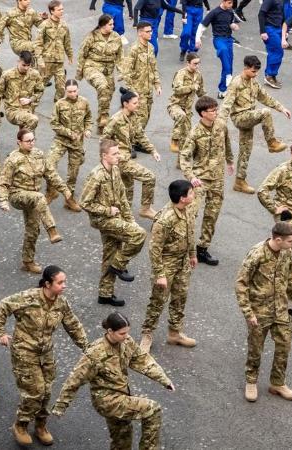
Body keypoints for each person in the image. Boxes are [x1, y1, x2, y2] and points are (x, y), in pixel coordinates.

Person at [0, 266, 88, 446]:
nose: (64, 286)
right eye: (60, 282)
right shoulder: (28, 298)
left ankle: (41, 425)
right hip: (24, 351)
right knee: (35, 391)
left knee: (47, 391)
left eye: (64, 282)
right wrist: (0, 332)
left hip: (46, 353)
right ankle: (21, 424)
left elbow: (73, 325)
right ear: (47, 284)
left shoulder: (61, 303)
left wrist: (87, 348)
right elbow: (3, 306)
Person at [51, 313, 175, 450]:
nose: (127, 336)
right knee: (152, 409)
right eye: (122, 333)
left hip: (122, 394)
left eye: (128, 332)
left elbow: (142, 360)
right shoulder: (95, 353)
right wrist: (61, 406)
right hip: (107, 400)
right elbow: (75, 380)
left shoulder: (126, 342)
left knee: (122, 438)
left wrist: (164, 380)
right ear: (110, 331)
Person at [236, 221, 292, 402]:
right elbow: (241, 284)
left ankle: (277, 383)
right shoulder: (257, 254)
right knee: (256, 348)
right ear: (278, 239)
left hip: (280, 308)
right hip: (259, 311)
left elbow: (290, 276)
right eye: (291, 241)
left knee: (284, 344)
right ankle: (251, 381)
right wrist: (248, 313)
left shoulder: (287, 252)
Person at [80, 140, 148, 307]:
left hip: (116, 217)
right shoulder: (97, 175)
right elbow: (84, 203)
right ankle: (118, 266)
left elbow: (122, 198)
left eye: (119, 152)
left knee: (110, 252)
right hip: (102, 219)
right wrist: (107, 211)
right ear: (104, 156)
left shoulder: (115, 170)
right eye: (115, 154)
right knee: (139, 234)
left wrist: (129, 219)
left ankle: (105, 294)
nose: (119, 156)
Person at [0, 129, 72, 273]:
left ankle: (28, 262)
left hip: (33, 198)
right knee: (40, 197)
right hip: (17, 195)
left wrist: (64, 189)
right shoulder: (13, 159)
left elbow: (51, 173)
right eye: (28, 141)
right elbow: (3, 182)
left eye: (33, 140)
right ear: (19, 142)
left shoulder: (39, 154)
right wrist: (3, 200)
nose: (31, 143)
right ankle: (52, 231)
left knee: (33, 230)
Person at [218, 55, 290, 195]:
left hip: (249, 118)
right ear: (245, 68)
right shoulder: (236, 83)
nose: (255, 74)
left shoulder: (254, 82)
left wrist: (281, 108)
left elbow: (265, 97)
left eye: (256, 72)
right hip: (240, 117)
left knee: (246, 151)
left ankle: (239, 182)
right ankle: (271, 143)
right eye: (253, 71)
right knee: (265, 113)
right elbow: (226, 104)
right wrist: (220, 123)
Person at [140, 180, 198, 353]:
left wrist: (192, 254)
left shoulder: (187, 210)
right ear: (182, 198)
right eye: (191, 193)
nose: (194, 194)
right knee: (158, 300)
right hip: (167, 264)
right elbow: (154, 248)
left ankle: (175, 333)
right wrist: (160, 274)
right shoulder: (165, 219)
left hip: (183, 262)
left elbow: (190, 233)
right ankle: (147, 335)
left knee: (180, 298)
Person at [179, 95, 234, 266]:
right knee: (191, 214)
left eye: (216, 109)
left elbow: (227, 144)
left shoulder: (221, 126)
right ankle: (184, 248)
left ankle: (203, 248)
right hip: (201, 179)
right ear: (203, 113)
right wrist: (191, 177)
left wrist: (230, 161)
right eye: (212, 111)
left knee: (212, 215)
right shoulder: (195, 133)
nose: (216, 112)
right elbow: (184, 157)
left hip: (217, 179)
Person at [257, 142, 292, 290]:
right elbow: (262, 190)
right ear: (291, 155)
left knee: (291, 244)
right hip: (285, 214)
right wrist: (274, 208)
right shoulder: (282, 170)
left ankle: (283, 273)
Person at [101, 88, 161, 218]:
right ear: (125, 104)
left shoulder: (133, 117)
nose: (138, 104)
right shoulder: (116, 119)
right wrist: (114, 156)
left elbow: (140, 135)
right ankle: (145, 209)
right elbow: (104, 140)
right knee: (149, 177)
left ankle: (123, 218)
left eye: (137, 102)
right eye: (135, 102)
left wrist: (153, 150)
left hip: (127, 157)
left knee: (127, 189)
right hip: (120, 160)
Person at [46, 80, 92, 210]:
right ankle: (51, 191)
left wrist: (88, 129)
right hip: (61, 140)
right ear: (65, 91)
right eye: (69, 91)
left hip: (77, 143)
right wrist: (69, 133)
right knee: (49, 163)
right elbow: (54, 123)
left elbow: (88, 118)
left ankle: (69, 199)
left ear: (78, 90)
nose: (72, 93)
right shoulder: (59, 104)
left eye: (74, 91)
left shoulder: (84, 102)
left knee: (72, 174)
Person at [77, 15, 124, 132]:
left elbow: (120, 57)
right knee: (102, 86)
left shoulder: (116, 37)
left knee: (108, 92)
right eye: (110, 24)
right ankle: (104, 116)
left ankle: (101, 124)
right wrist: (79, 72)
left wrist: (121, 72)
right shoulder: (92, 36)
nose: (113, 26)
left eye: (113, 24)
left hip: (108, 70)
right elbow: (82, 53)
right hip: (92, 66)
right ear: (103, 25)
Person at [0, 50, 45, 131]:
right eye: (24, 65)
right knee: (33, 120)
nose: (26, 68)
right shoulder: (7, 75)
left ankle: (23, 140)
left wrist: (30, 100)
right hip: (13, 111)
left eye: (28, 65)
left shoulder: (35, 74)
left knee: (28, 135)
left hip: (28, 110)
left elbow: (40, 91)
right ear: (18, 61)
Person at [121, 21, 162, 129]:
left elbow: (154, 67)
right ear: (140, 33)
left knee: (146, 117)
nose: (151, 33)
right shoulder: (133, 49)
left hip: (148, 91)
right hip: (138, 92)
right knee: (139, 120)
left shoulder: (151, 47)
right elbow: (126, 72)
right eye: (147, 31)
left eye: (151, 31)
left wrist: (157, 84)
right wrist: (132, 91)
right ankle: (134, 143)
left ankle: (136, 141)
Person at [196, 0, 241, 96]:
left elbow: (230, 23)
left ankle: (222, 90)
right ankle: (229, 75)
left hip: (229, 39)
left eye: (232, 3)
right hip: (219, 39)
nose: (231, 5)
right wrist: (198, 39)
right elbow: (202, 25)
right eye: (229, 3)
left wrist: (234, 26)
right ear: (223, 1)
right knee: (224, 52)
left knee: (228, 63)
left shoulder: (230, 11)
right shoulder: (214, 12)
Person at [167, 53, 206, 152]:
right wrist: (191, 87)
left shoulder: (198, 75)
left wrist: (209, 105)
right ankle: (174, 140)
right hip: (175, 105)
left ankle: (181, 163)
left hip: (187, 109)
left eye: (198, 63)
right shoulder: (181, 74)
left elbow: (201, 92)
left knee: (186, 139)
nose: (197, 66)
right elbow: (177, 90)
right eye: (195, 63)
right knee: (181, 116)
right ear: (187, 63)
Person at [35, 0, 73, 102]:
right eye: (59, 10)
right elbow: (38, 44)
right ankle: (30, 107)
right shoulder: (44, 25)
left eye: (62, 9)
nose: (62, 11)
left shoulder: (64, 25)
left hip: (59, 63)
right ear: (52, 11)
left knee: (61, 88)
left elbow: (67, 42)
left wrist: (70, 56)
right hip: (46, 63)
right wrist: (39, 60)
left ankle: (57, 107)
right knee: (39, 87)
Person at [259, 0, 287, 88]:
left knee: (275, 52)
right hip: (270, 28)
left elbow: (282, 16)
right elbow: (261, 14)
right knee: (277, 51)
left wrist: (284, 31)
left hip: (278, 28)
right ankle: (269, 76)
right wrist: (263, 31)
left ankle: (271, 75)